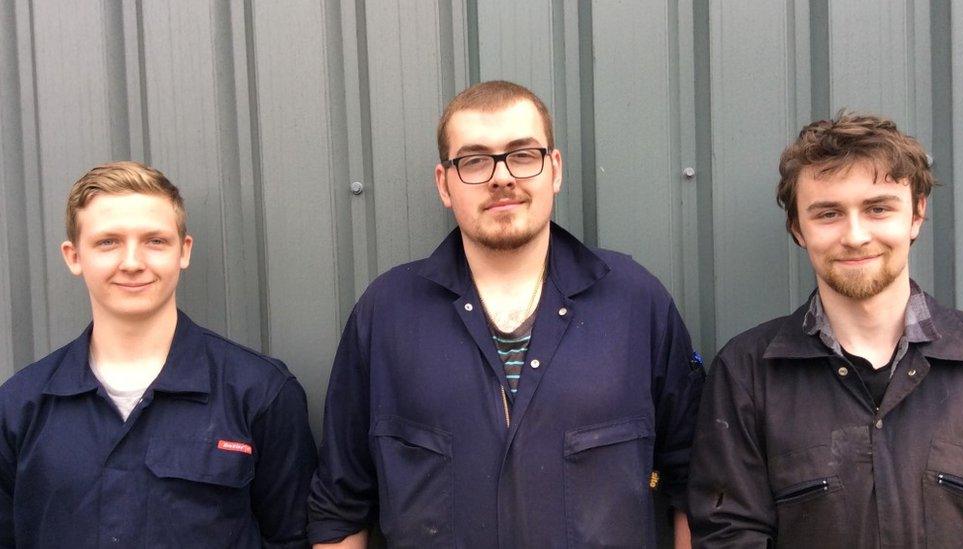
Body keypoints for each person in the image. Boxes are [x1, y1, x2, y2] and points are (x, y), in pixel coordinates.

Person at [308, 80, 703, 548]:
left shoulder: (636, 303)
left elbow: (697, 484)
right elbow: (340, 505)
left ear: (553, 169)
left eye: (522, 154)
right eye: (474, 160)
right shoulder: (387, 314)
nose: (502, 177)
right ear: (444, 183)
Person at [688, 112, 963, 547]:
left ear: (916, 214)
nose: (856, 235)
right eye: (828, 214)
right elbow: (729, 535)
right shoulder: (747, 372)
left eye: (878, 208)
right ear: (797, 229)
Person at [0, 161, 317, 547]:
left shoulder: (260, 392)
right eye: (108, 242)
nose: (132, 263)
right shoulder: (19, 406)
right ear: (74, 256)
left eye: (155, 241)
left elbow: (291, 538)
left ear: (183, 251)